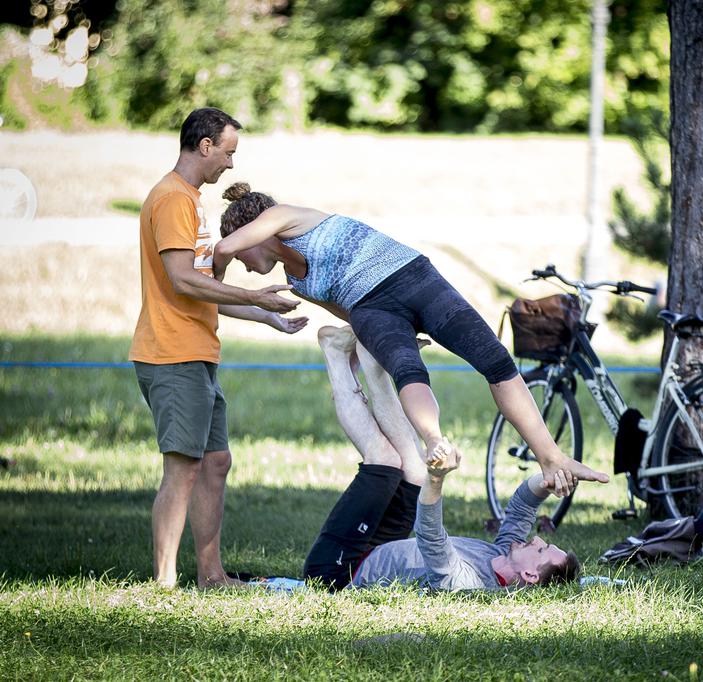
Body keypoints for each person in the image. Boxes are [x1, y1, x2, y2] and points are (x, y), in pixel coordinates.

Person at [212, 184, 609, 495]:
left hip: (411, 276)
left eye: (245, 251)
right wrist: (371, 348)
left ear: (251, 232)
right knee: (406, 370)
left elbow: (224, 247)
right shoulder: (298, 283)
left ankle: (551, 456)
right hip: (371, 310)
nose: (245, 263)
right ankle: (436, 441)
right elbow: (348, 314)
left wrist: (214, 285)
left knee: (495, 360)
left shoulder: (283, 216)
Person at [129, 108, 309, 589]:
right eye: (228, 152)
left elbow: (207, 291)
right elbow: (184, 280)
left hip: (198, 353)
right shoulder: (171, 199)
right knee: (183, 469)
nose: (230, 164)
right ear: (204, 146)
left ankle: (212, 575)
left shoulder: (192, 202)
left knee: (215, 462)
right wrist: (253, 294)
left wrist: (267, 315)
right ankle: (164, 583)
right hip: (171, 354)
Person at [303, 325, 580, 591]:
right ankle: (371, 353)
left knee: (385, 459)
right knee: (413, 471)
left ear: (530, 574)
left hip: (338, 572)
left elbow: (430, 536)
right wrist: (546, 480)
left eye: (542, 549)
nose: (538, 539)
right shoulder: (503, 553)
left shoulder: (466, 581)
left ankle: (336, 355)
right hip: (379, 548)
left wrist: (436, 479)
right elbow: (522, 508)